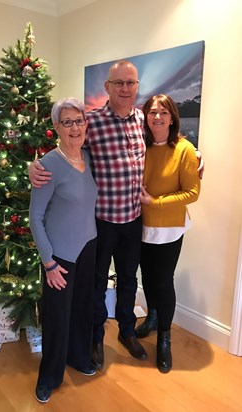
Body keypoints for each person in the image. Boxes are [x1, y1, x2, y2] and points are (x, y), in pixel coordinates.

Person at [29, 60, 204, 371]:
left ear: (137, 87)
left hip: (134, 220)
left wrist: (198, 157)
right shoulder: (91, 122)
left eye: (131, 83)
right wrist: (33, 167)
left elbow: (172, 142)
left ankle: (126, 331)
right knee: (97, 282)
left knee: (127, 280)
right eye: (119, 83)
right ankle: (96, 336)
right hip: (101, 222)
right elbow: (66, 149)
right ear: (106, 87)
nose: (126, 88)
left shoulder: (144, 120)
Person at [29, 97, 98, 403]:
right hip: (60, 256)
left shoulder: (89, 157)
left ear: (86, 124)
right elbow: (35, 218)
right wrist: (48, 263)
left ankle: (79, 358)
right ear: (56, 127)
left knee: (82, 308)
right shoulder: (46, 166)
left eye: (78, 120)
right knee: (57, 318)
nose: (74, 127)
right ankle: (49, 375)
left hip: (89, 246)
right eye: (67, 122)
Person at [135, 94, 200, 373]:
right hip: (140, 225)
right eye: (152, 112)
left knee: (163, 281)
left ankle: (164, 337)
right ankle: (152, 316)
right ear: (145, 117)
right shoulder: (141, 146)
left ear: (172, 117)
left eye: (163, 112)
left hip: (169, 228)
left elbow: (192, 193)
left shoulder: (185, 149)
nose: (157, 117)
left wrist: (155, 202)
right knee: (146, 277)